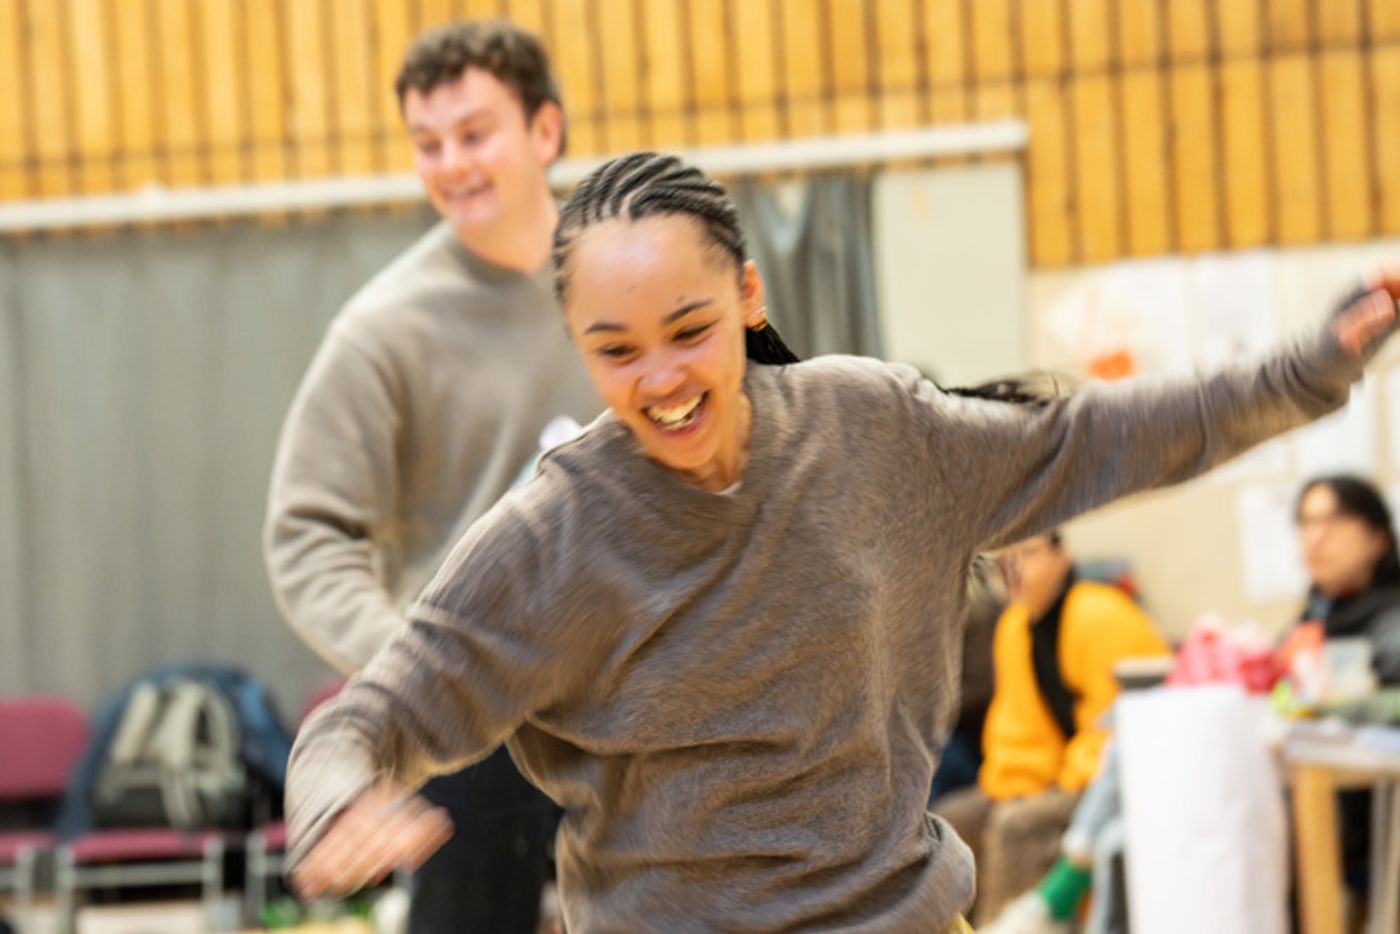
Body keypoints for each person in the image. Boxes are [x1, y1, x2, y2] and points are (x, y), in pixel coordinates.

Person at [281, 150, 1400, 932]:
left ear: (746, 293)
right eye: (616, 350)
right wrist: (338, 801)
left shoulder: (874, 430)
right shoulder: (554, 537)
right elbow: (373, 716)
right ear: (578, 343)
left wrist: (1307, 368)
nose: (660, 379)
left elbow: (1099, 436)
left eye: (688, 330)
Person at [263, 20, 599, 934]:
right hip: (475, 728)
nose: (451, 163)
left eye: (474, 134)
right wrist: (415, 665)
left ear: (545, 130)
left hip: (634, 697)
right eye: (427, 143)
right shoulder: (382, 331)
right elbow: (307, 535)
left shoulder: (629, 276)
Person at [985, 473, 1400, 934]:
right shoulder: (1315, 614)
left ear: (1377, 538)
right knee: (1123, 833)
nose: (1315, 537)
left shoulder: (1386, 619)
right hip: (1268, 778)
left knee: (1121, 781)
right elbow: (1018, 725)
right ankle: (1060, 891)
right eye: (1305, 522)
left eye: (1333, 520)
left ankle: (1055, 894)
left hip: (1340, 795)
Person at [934, 531, 1169, 922]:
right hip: (1057, 774)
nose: (1014, 569)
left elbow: (1118, 726)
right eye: (1004, 559)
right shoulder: (1013, 627)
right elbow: (1017, 727)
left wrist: (1059, 782)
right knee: (953, 820)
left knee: (1016, 825)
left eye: (1028, 554)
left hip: (1110, 778)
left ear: (1062, 557)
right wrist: (1017, 784)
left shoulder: (1099, 612)